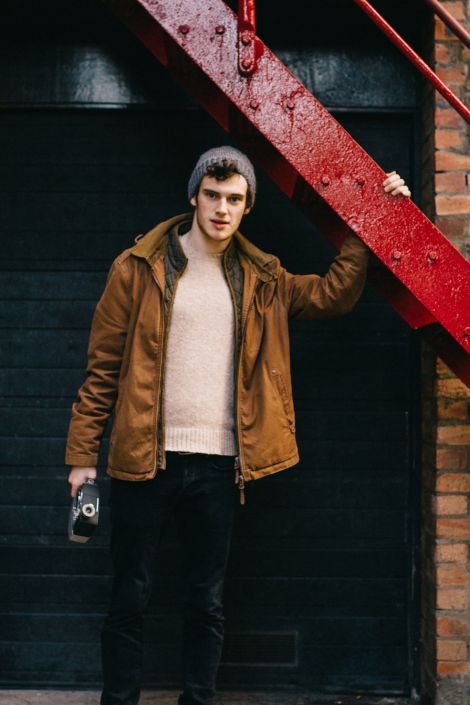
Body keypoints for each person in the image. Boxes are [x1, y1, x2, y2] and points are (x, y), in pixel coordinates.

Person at [65, 146, 410, 705]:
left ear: (247, 207)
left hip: (221, 464)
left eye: (234, 199)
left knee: (206, 600)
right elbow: (102, 369)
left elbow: (333, 295)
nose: (222, 208)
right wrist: (83, 457)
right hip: (141, 460)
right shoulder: (136, 268)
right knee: (129, 595)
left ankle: (197, 700)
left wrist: (371, 219)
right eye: (213, 195)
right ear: (193, 196)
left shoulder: (263, 278)